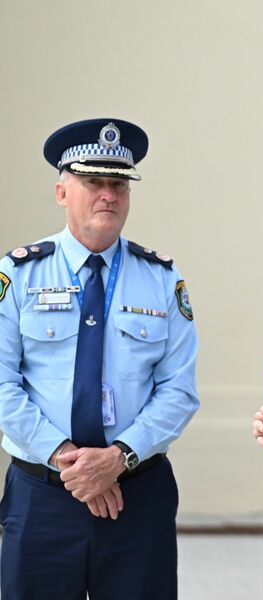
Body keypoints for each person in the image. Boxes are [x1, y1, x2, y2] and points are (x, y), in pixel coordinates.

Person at [0, 118, 199, 599]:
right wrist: (74, 463)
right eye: (93, 182)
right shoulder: (18, 275)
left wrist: (118, 458)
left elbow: (179, 390)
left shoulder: (161, 278)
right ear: (62, 192)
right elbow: (2, 383)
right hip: (44, 496)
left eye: (118, 184)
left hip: (136, 494)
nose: (108, 194)